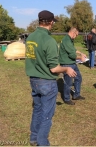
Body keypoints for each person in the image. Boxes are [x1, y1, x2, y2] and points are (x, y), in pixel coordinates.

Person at [25, 10, 77, 146]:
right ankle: (42, 143)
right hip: (47, 82)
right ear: (51, 22)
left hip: (33, 80)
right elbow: (54, 68)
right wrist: (66, 68)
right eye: (53, 21)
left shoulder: (30, 37)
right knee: (46, 115)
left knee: (37, 109)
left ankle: (34, 137)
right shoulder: (49, 41)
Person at [59, 27, 87, 105]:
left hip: (72, 63)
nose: (76, 37)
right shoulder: (66, 40)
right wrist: (80, 58)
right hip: (67, 64)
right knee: (68, 82)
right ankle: (66, 98)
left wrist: (81, 53)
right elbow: (72, 55)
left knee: (78, 78)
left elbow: (73, 50)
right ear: (73, 33)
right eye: (76, 35)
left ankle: (76, 95)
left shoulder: (70, 40)